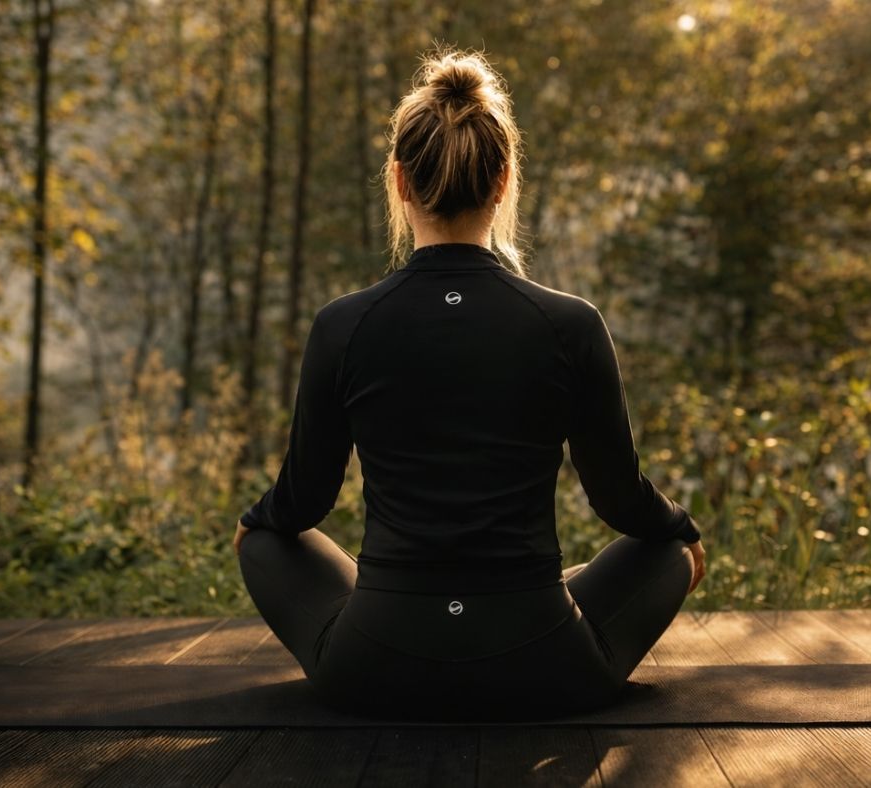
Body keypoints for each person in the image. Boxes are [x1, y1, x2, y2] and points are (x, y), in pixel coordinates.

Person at [235, 46, 706, 722]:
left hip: (372, 667)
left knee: (266, 541)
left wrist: (254, 522)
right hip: (546, 666)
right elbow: (621, 501)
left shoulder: (344, 326)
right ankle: (548, 595)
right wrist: (683, 532)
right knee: (666, 552)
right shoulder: (570, 324)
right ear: (504, 180)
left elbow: (302, 502)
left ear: (399, 182)